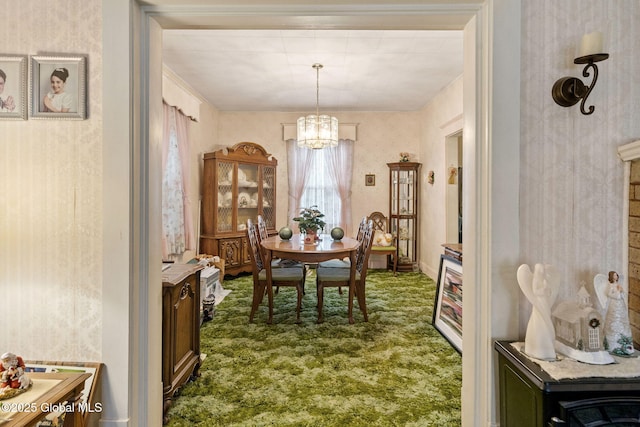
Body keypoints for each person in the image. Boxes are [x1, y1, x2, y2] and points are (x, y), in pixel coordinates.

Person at [604, 271, 635, 355]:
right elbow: (609, 294)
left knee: (622, 320)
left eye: (616, 275)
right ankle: (612, 345)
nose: (616, 277)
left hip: (620, 304)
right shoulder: (610, 285)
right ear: (611, 277)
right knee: (614, 320)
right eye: (614, 275)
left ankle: (625, 345)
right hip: (614, 304)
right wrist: (618, 292)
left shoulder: (618, 284)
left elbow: (623, 294)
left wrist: (621, 292)